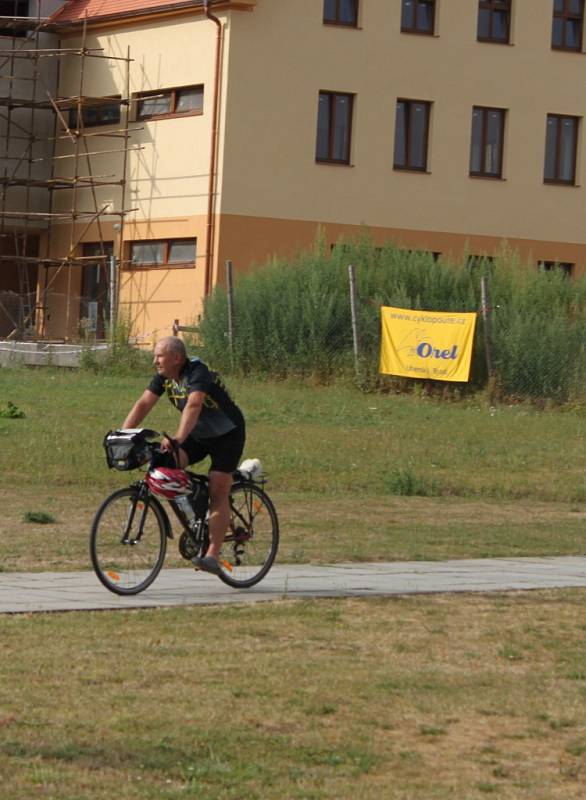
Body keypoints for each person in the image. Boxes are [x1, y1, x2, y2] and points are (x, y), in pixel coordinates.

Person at [122, 335, 245, 575]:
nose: (155, 360)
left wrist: (178, 438)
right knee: (164, 465)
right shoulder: (164, 378)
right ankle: (198, 516)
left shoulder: (198, 372)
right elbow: (143, 404)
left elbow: (194, 405)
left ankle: (212, 555)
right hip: (199, 435)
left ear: (176, 358)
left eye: (159, 356)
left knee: (218, 490)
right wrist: (124, 435)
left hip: (227, 435)